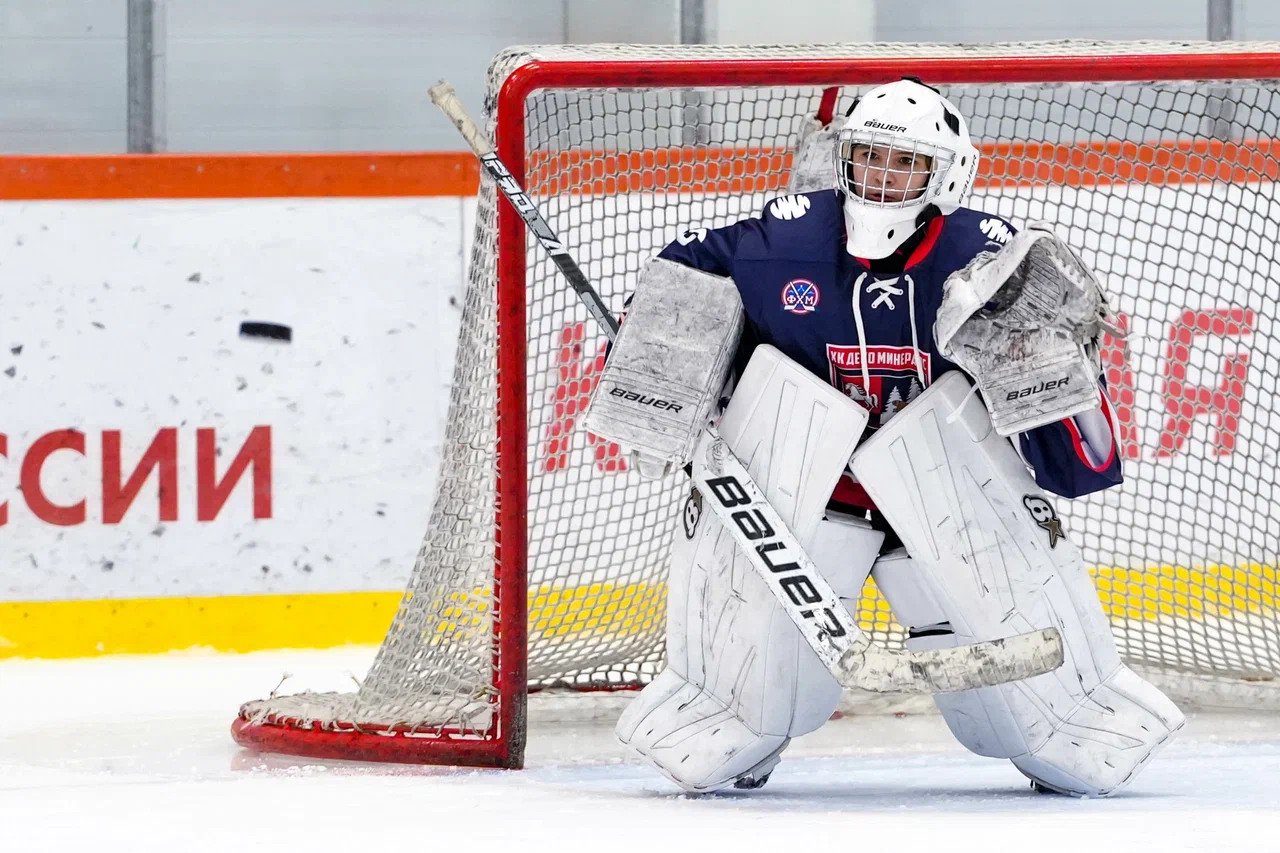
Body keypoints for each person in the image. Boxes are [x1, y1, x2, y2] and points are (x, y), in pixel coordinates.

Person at [606, 77, 1184, 797]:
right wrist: (660, 360)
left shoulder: (989, 262)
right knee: (747, 699)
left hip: (946, 491)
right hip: (811, 491)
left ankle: (1070, 720)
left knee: (1050, 729)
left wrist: (1053, 361)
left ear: (946, 174)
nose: (882, 176)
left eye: (905, 162)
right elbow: (678, 278)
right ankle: (738, 716)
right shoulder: (785, 241)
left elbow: (1082, 466)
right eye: (869, 156)